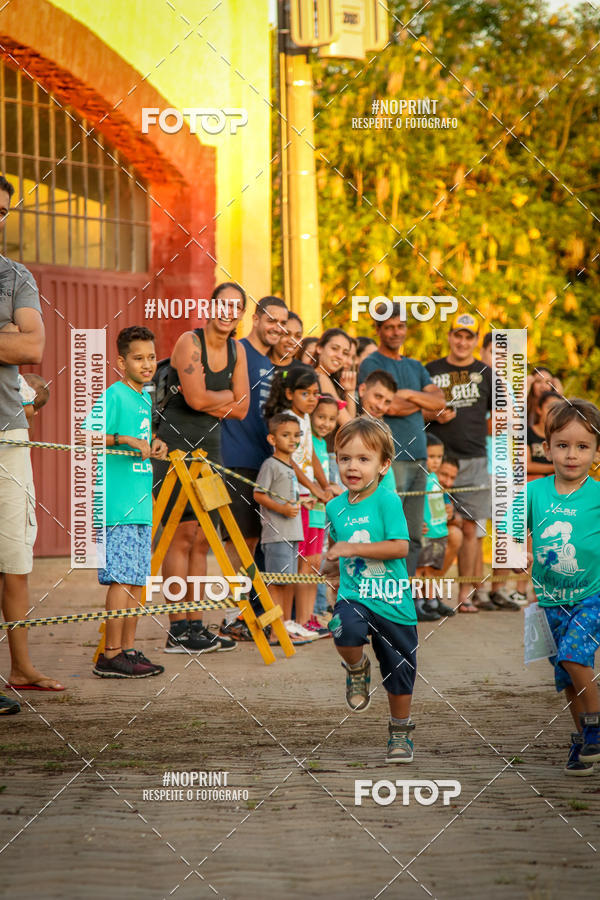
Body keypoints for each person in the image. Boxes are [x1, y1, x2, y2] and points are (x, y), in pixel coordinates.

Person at [153, 282, 250, 653]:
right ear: (211, 307)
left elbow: (242, 409)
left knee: (201, 538)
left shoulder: (236, 349)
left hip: (211, 449)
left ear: (241, 314)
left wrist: (217, 400)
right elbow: (193, 398)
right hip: (175, 447)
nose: (229, 312)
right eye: (223, 304)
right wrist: (225, 397)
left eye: (236, 307)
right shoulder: (188, 343)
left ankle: (195, 623)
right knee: (178, 536)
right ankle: (177, 629)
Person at [0, 175, 63, 708]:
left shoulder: (15, 275)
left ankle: (20, 666)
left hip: (8, 437)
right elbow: (15, 341)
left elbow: (34, 344)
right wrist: (7, 340)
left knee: (16, 557)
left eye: (3, 211)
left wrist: (17, 344)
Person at [323, 418, 418, 763]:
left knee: (399, 672)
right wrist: (330, 566)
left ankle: (400, 731)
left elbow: (399, 548)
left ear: (383, 465)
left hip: (393, 602)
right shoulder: (334, 507)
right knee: (343, 630)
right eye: (345, 458)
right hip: (355, 595)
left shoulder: (388, 501)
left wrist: (351, 549)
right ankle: (357, 669)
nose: (353, 466)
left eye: (364, 459)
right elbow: (338, 550)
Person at [521, 398, 600, 775]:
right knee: (567, 675)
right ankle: (584, 738)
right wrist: (518, 548)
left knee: (574, 655)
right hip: (550, 601)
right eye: (563, 445)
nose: (572, 455)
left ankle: (597, 724)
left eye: (583, 447)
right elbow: (506, 531)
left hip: (591, 596)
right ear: (547, 447)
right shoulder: (533, 493)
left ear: (596, 451)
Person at [83, 326, 168, 677]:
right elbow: (87, 435)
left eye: (151, 357)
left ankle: (129, 650)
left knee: (136, 580)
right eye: (138, 358)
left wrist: (154, 445)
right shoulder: (115, 394)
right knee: (120, 579)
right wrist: (124, 439)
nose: (147, 364)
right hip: (116, 505)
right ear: (121, 362)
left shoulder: (145, 398)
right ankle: (110, 653)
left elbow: (141, 445)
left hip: (140, 505)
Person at [358, 302, 446, 575]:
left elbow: (440, 402)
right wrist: (420, 400)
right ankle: (383, 593)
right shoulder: (371, 363)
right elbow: (389, 407)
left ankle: (404, 595)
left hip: (419, 456)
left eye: (400, 326)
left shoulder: (415, 365)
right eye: (389, 327)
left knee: (413, 534)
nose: (396, 332)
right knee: (389, 532)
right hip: (389, 457)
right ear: (378, 330)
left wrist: (406, 395)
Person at [425, 312, 498, 613]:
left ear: (474, 341)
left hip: (475, 459)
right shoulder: (430, 370)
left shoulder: (487, 372)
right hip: (437, 460)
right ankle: (429, 593)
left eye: (469, 337)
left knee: (470, 529)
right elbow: (418, 411)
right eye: (458, 335)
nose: (463, 341)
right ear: (450, 337)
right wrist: (433, 415)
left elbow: (501, 414)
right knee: (438, 527)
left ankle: (465, 594)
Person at [264, 364, 333, 634]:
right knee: (300, 563)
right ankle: (291, 622)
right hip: (299, 500)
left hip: (314, 500)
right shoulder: (288, 420)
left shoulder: (305, 421)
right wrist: (313, 488)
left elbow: (312, 457)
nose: (313, 399)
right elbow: (291, 461)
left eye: (316, 393)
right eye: (306, 393)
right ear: (290, 393)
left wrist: (325, 486)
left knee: (314, 563)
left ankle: (306, 621)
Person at [253, 413, 314, 644]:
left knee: (287, 582)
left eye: (296, 435)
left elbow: (289, 496)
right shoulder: (271, 464)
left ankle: (285, 627)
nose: (292, 440)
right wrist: (282, 509)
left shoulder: (289, 467)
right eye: (285, 435)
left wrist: (301, 503)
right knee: (276, 584)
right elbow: (258, 494)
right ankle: (274, 630)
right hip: (277, 534)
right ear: (272, 439)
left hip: (293, 533)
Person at [415, 435, 456, 620]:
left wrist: (449, 509)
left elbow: (444, 499)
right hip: (425, 532)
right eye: (431, 456)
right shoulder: (419, 478)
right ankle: (417, 602)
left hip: (439, 531)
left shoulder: (435, 478)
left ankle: (431, 600)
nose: (436, 461)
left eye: (439, 457)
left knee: (431, 569)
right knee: (419, 569)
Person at [312, 328, 357, 425]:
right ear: (319, 348)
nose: (339, 356)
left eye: (345, 353)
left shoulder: (327, 378)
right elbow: (348, 426)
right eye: (334, 348)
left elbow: (349, 424)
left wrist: (350, 391)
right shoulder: (321, 377)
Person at [437, 456, 463, 576]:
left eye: (452, 478)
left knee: (455, 534)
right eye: (444, 475)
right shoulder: (422, 484)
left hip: (432, 537)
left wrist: (451, 516)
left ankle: (431, 585)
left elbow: (459, 522)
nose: (448, 482)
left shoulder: (444, 491)